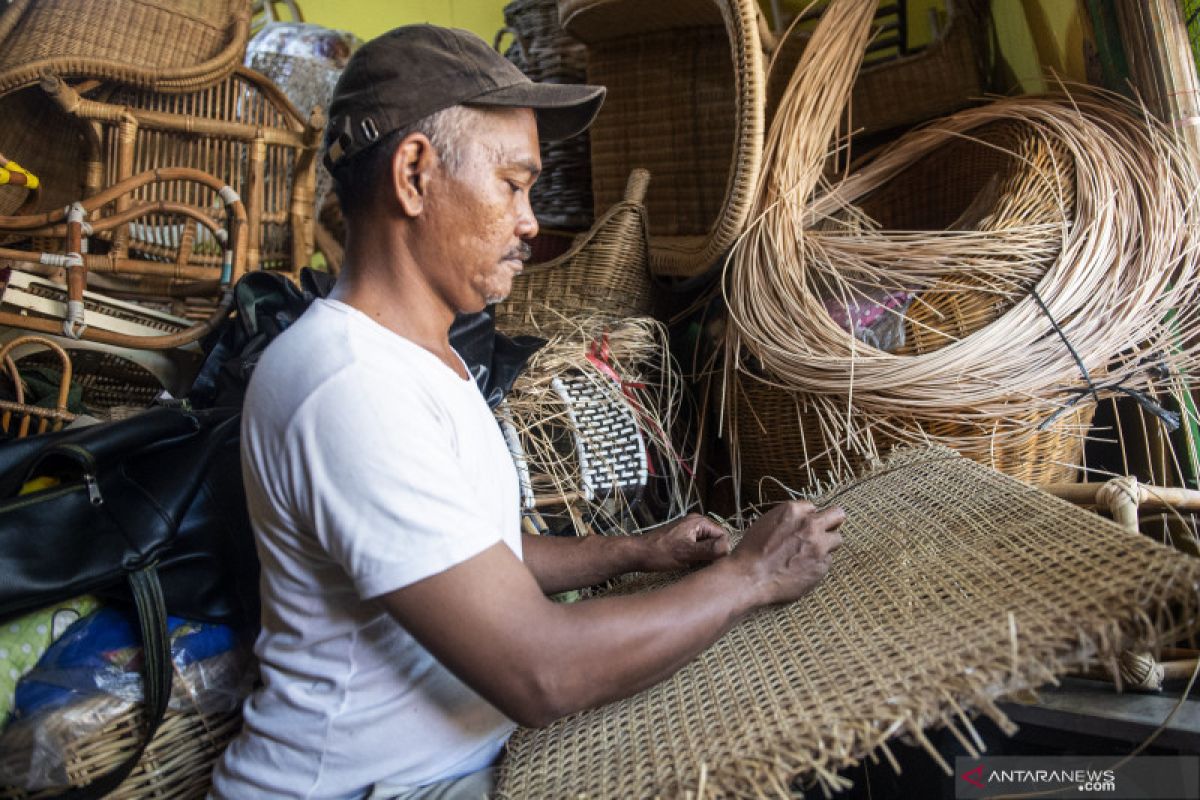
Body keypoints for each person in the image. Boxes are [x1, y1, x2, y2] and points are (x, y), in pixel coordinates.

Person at [210, 24, 845, 800]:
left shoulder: (417, 357)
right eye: (513, 184)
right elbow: (542, 671)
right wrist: (749, 578)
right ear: (414, 175)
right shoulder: (348, 386)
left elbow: (471, 549)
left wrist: (639, 552)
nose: (531, 221)